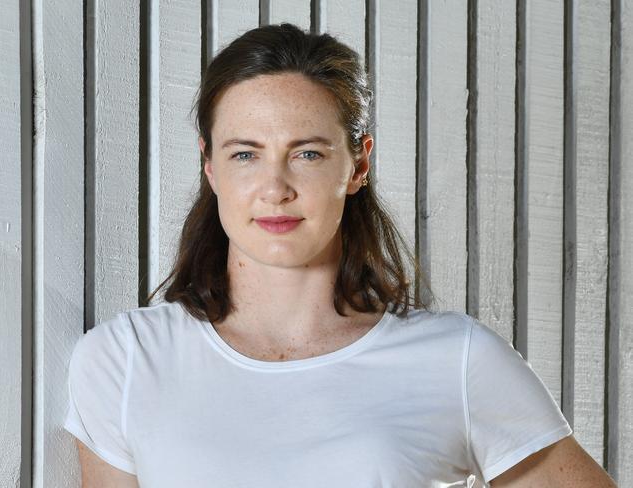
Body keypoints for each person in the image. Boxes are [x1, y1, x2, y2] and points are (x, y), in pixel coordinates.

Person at [63, 23, 618, 487]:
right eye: (245, 155)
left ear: (357, 164)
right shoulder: (124, 360)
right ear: (209, 166)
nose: (275, 187)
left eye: (306, 153)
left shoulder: (458, 360)